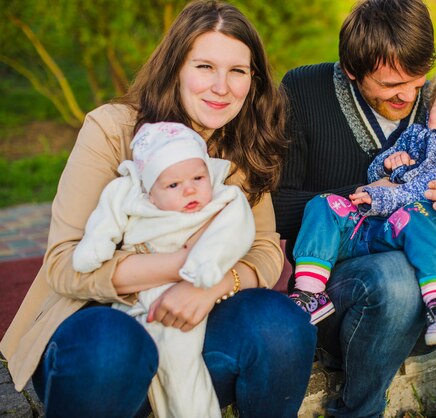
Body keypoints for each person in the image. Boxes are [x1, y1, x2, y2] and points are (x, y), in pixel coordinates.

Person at [0, 2, 317, 418]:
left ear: (252, 80)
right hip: (94, 335)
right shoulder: (112, 128)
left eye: (237, 71)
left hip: (190, 331)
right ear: (175, 68)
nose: (222, 86)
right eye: (205, 66)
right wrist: (184, 264)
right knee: (114, 344)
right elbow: (65, 265)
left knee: (283, 324)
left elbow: (264, 248)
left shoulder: (237, 147)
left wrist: (209, 285)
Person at [272, 0, 436, 417]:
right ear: (353, 70)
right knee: (395, 277)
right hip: (352, 292)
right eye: (390, 85)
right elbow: (276, 204)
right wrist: (373, 192)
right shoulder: (304, 90)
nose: (409, 95)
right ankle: (358, 408)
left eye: (418, 80)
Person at [289, 62, 436, 348]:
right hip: (378, 229)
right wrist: (387, 164)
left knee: (418, 217)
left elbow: (432, 187)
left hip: (421, 227)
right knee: (322, 205)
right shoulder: (420, 134)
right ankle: (310, 292)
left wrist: (386, 194)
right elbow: (377, 174)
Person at [73, 121, 256, 418]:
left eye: (198, 177)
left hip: (185, 293)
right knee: (126, 356)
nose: (190, 190)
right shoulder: (132, 195)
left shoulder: (223, 199)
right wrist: (96, 246)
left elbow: (235, 231)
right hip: (133, 295)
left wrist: (204, 264)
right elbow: (108, 213)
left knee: (180, 365)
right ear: (150, 191)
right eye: (173, 185)